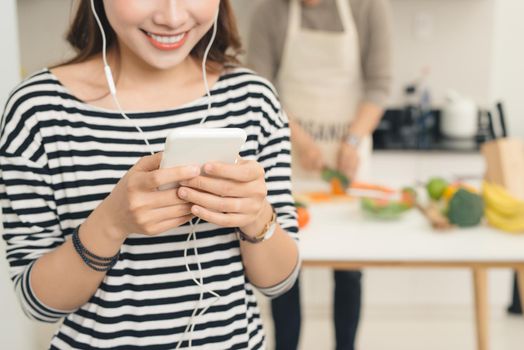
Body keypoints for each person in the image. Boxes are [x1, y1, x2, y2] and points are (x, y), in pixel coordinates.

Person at [0, 1, 300, 348]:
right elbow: (38, 304)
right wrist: (111, 223)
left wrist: (256, 216)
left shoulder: (253, 100)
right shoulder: (38, 111)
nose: (171, 18)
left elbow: (279, 281)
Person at [247, 0, 392, 349]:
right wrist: (296, 139)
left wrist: (353, 139)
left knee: (349, 270)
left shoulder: (367, 7)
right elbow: (258, 85)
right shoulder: (270, 13)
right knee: (285, 267)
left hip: (349, 160)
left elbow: (380, 84)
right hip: (289, 159)